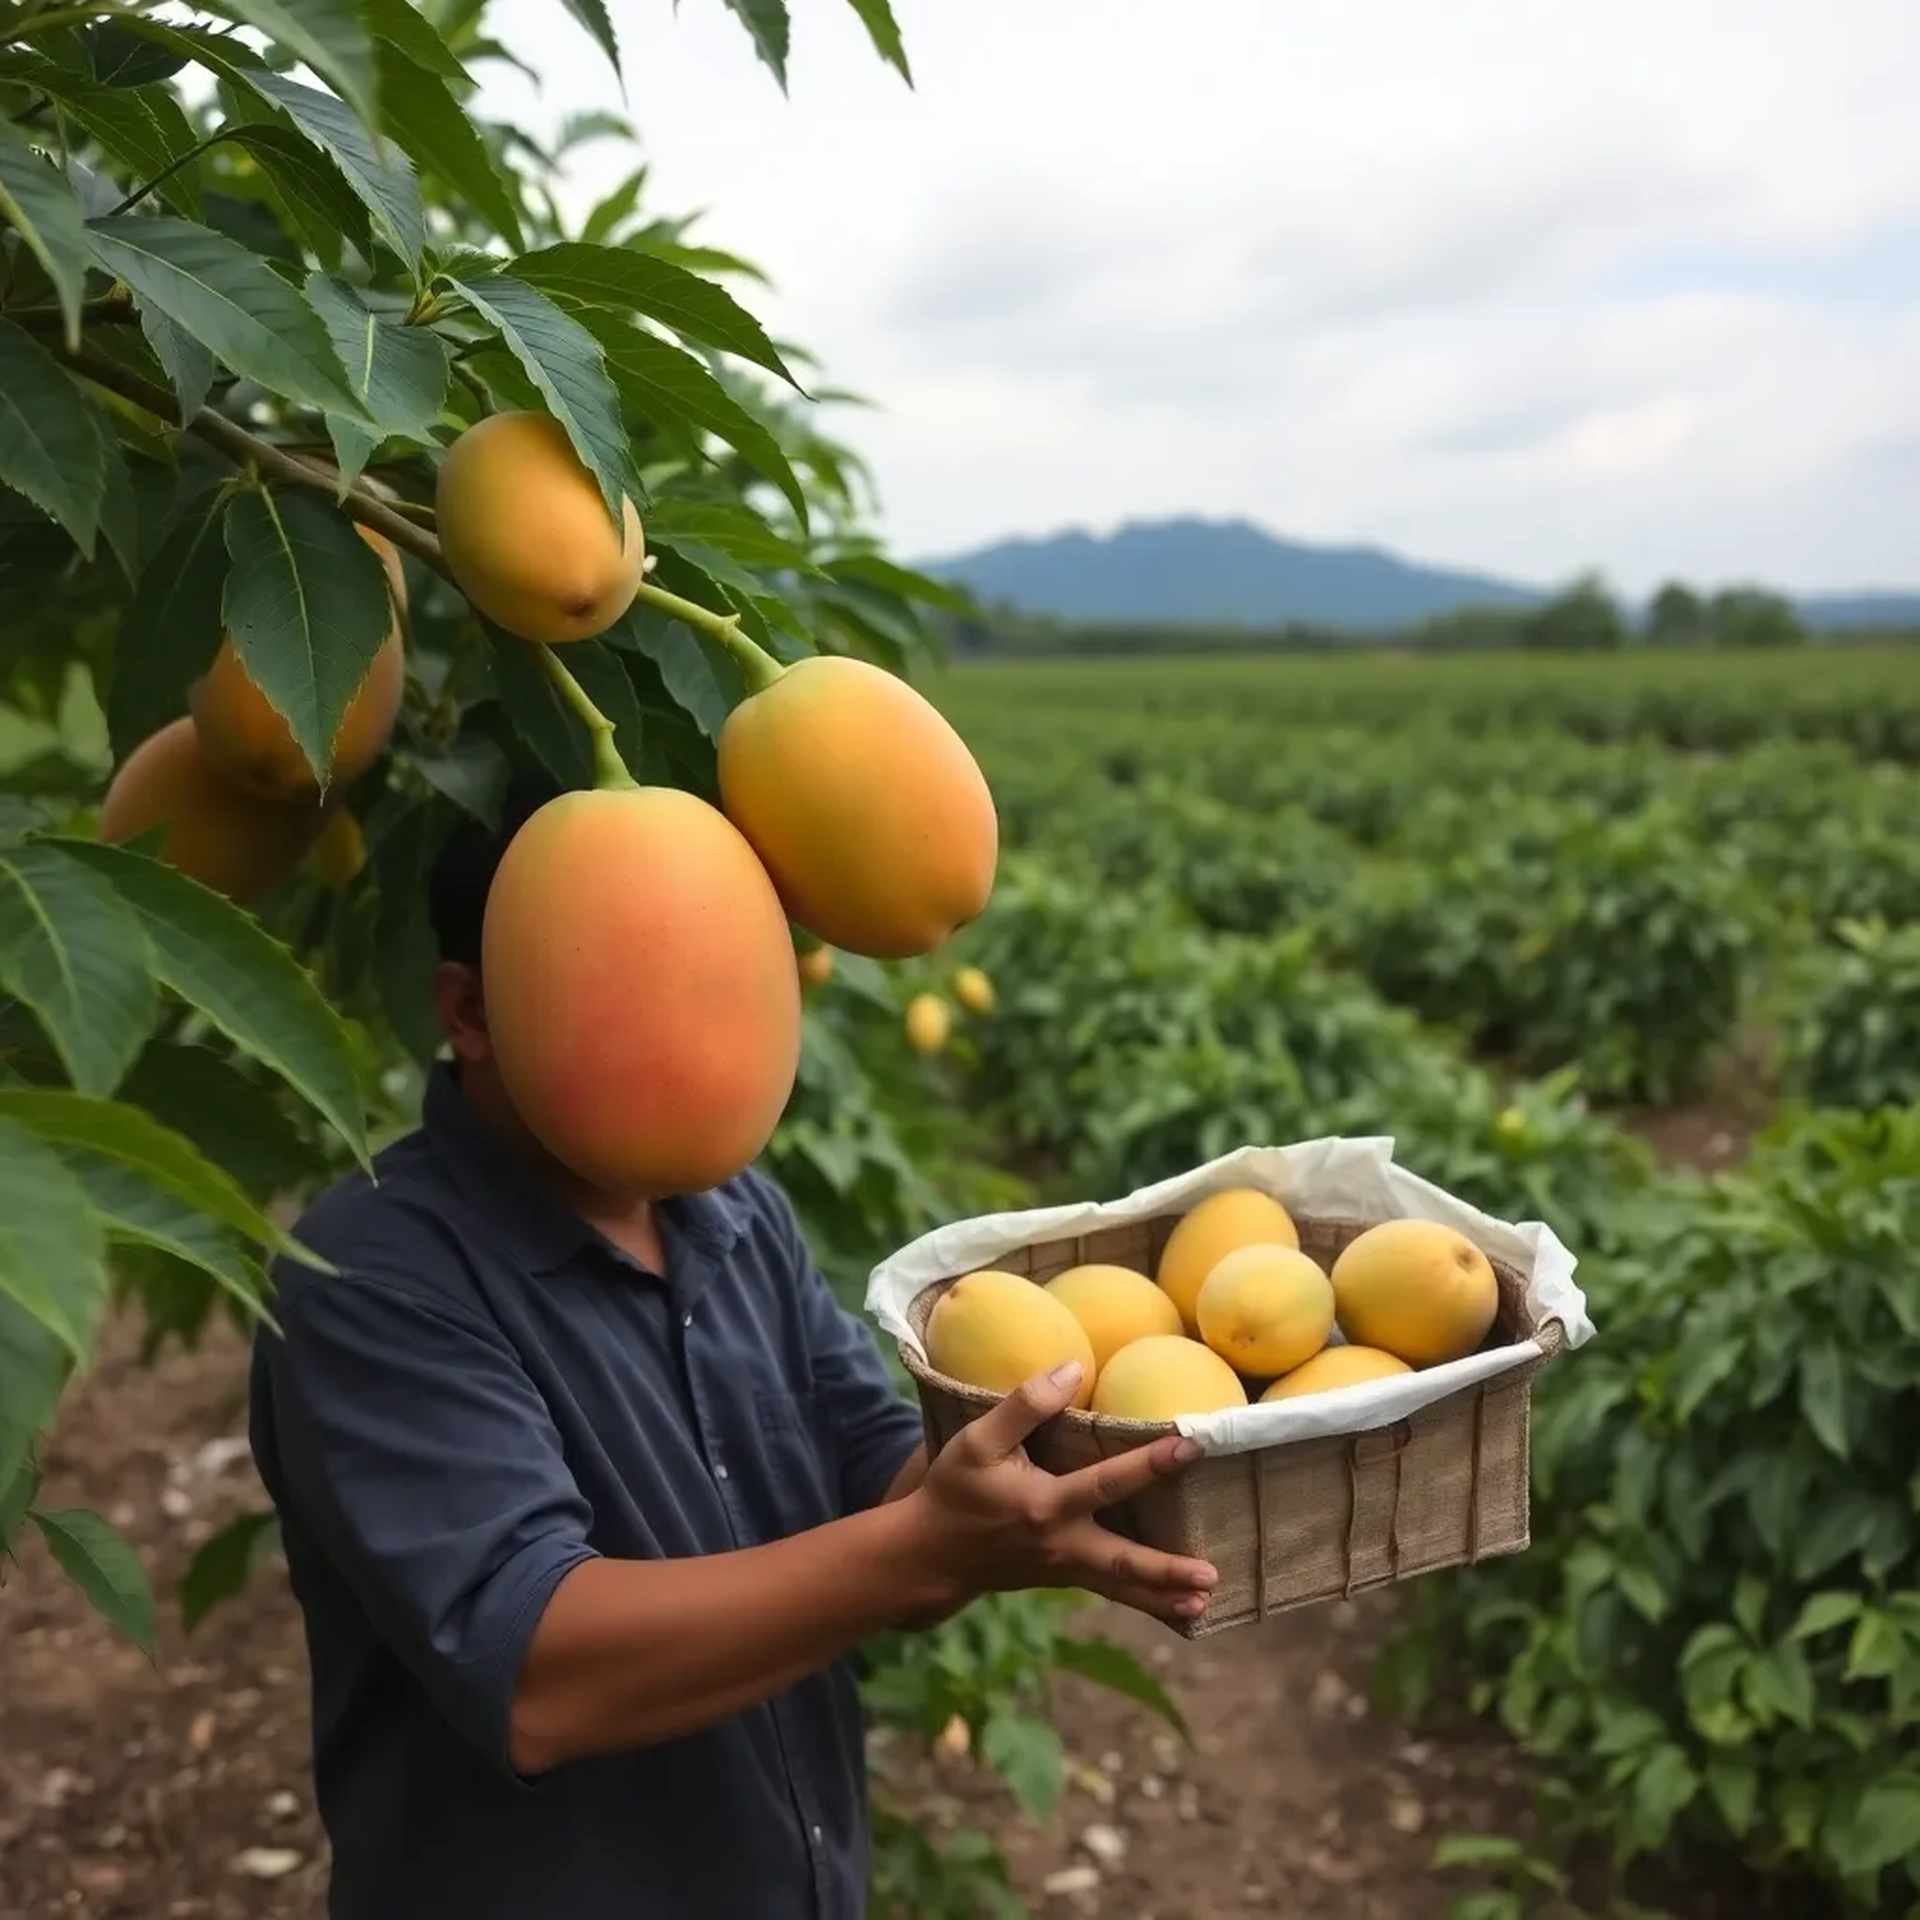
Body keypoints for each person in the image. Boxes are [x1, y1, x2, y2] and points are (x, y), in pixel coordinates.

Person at [249, 793, 1217, 1920]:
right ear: (470, 1012)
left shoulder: (734, 1213)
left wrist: (1022, 1477)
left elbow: (878, 1483)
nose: (688, 1039)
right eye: (622, 997)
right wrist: (926, 1548)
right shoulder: (371, 1273)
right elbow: (539, 1673)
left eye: (718, 988)